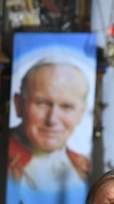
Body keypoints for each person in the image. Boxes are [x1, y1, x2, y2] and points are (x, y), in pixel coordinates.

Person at [8, 59, 91, 190]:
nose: (52, 120)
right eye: (42, 103)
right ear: (19, 104)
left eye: (66, 107)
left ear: (81, 113)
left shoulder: (84, 168)